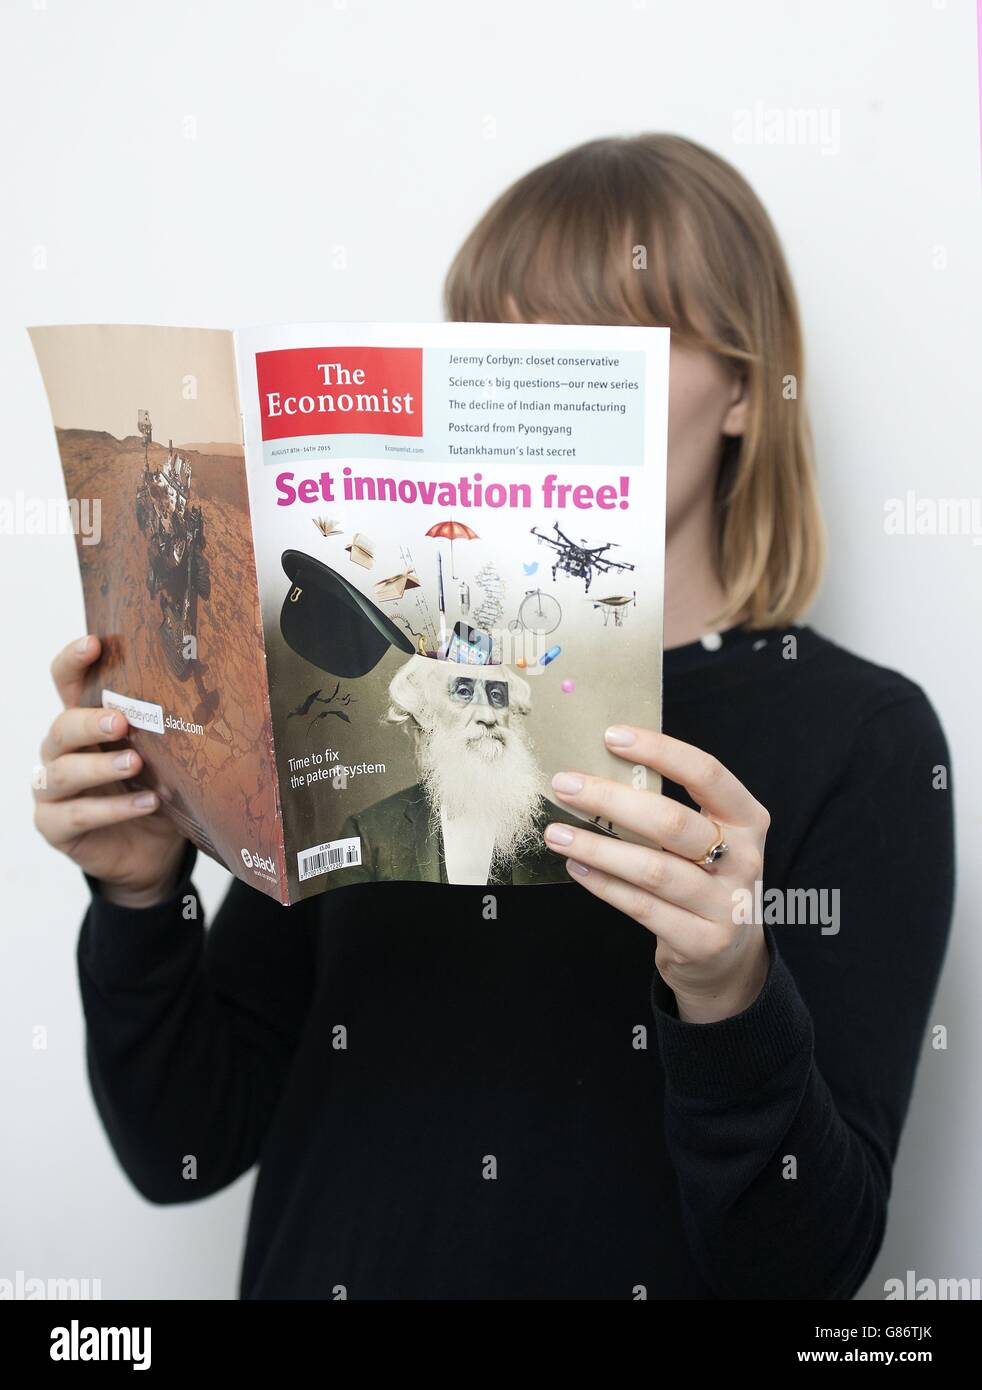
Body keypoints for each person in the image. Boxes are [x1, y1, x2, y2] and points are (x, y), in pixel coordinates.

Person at [34, 134, 954, 1299]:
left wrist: (729, 993)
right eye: (503, 347)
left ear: (742, 388)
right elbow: (187, 1145)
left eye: (609, 343)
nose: (544, 385)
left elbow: (807, 1269)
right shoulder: (385, 698)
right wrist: (135, 895)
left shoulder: (862, 739)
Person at [332, 656, 592, 887]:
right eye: (465, 692)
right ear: (425, 713)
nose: (488, 716)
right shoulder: (368, 835)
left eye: (497, 696)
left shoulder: (573, 839)